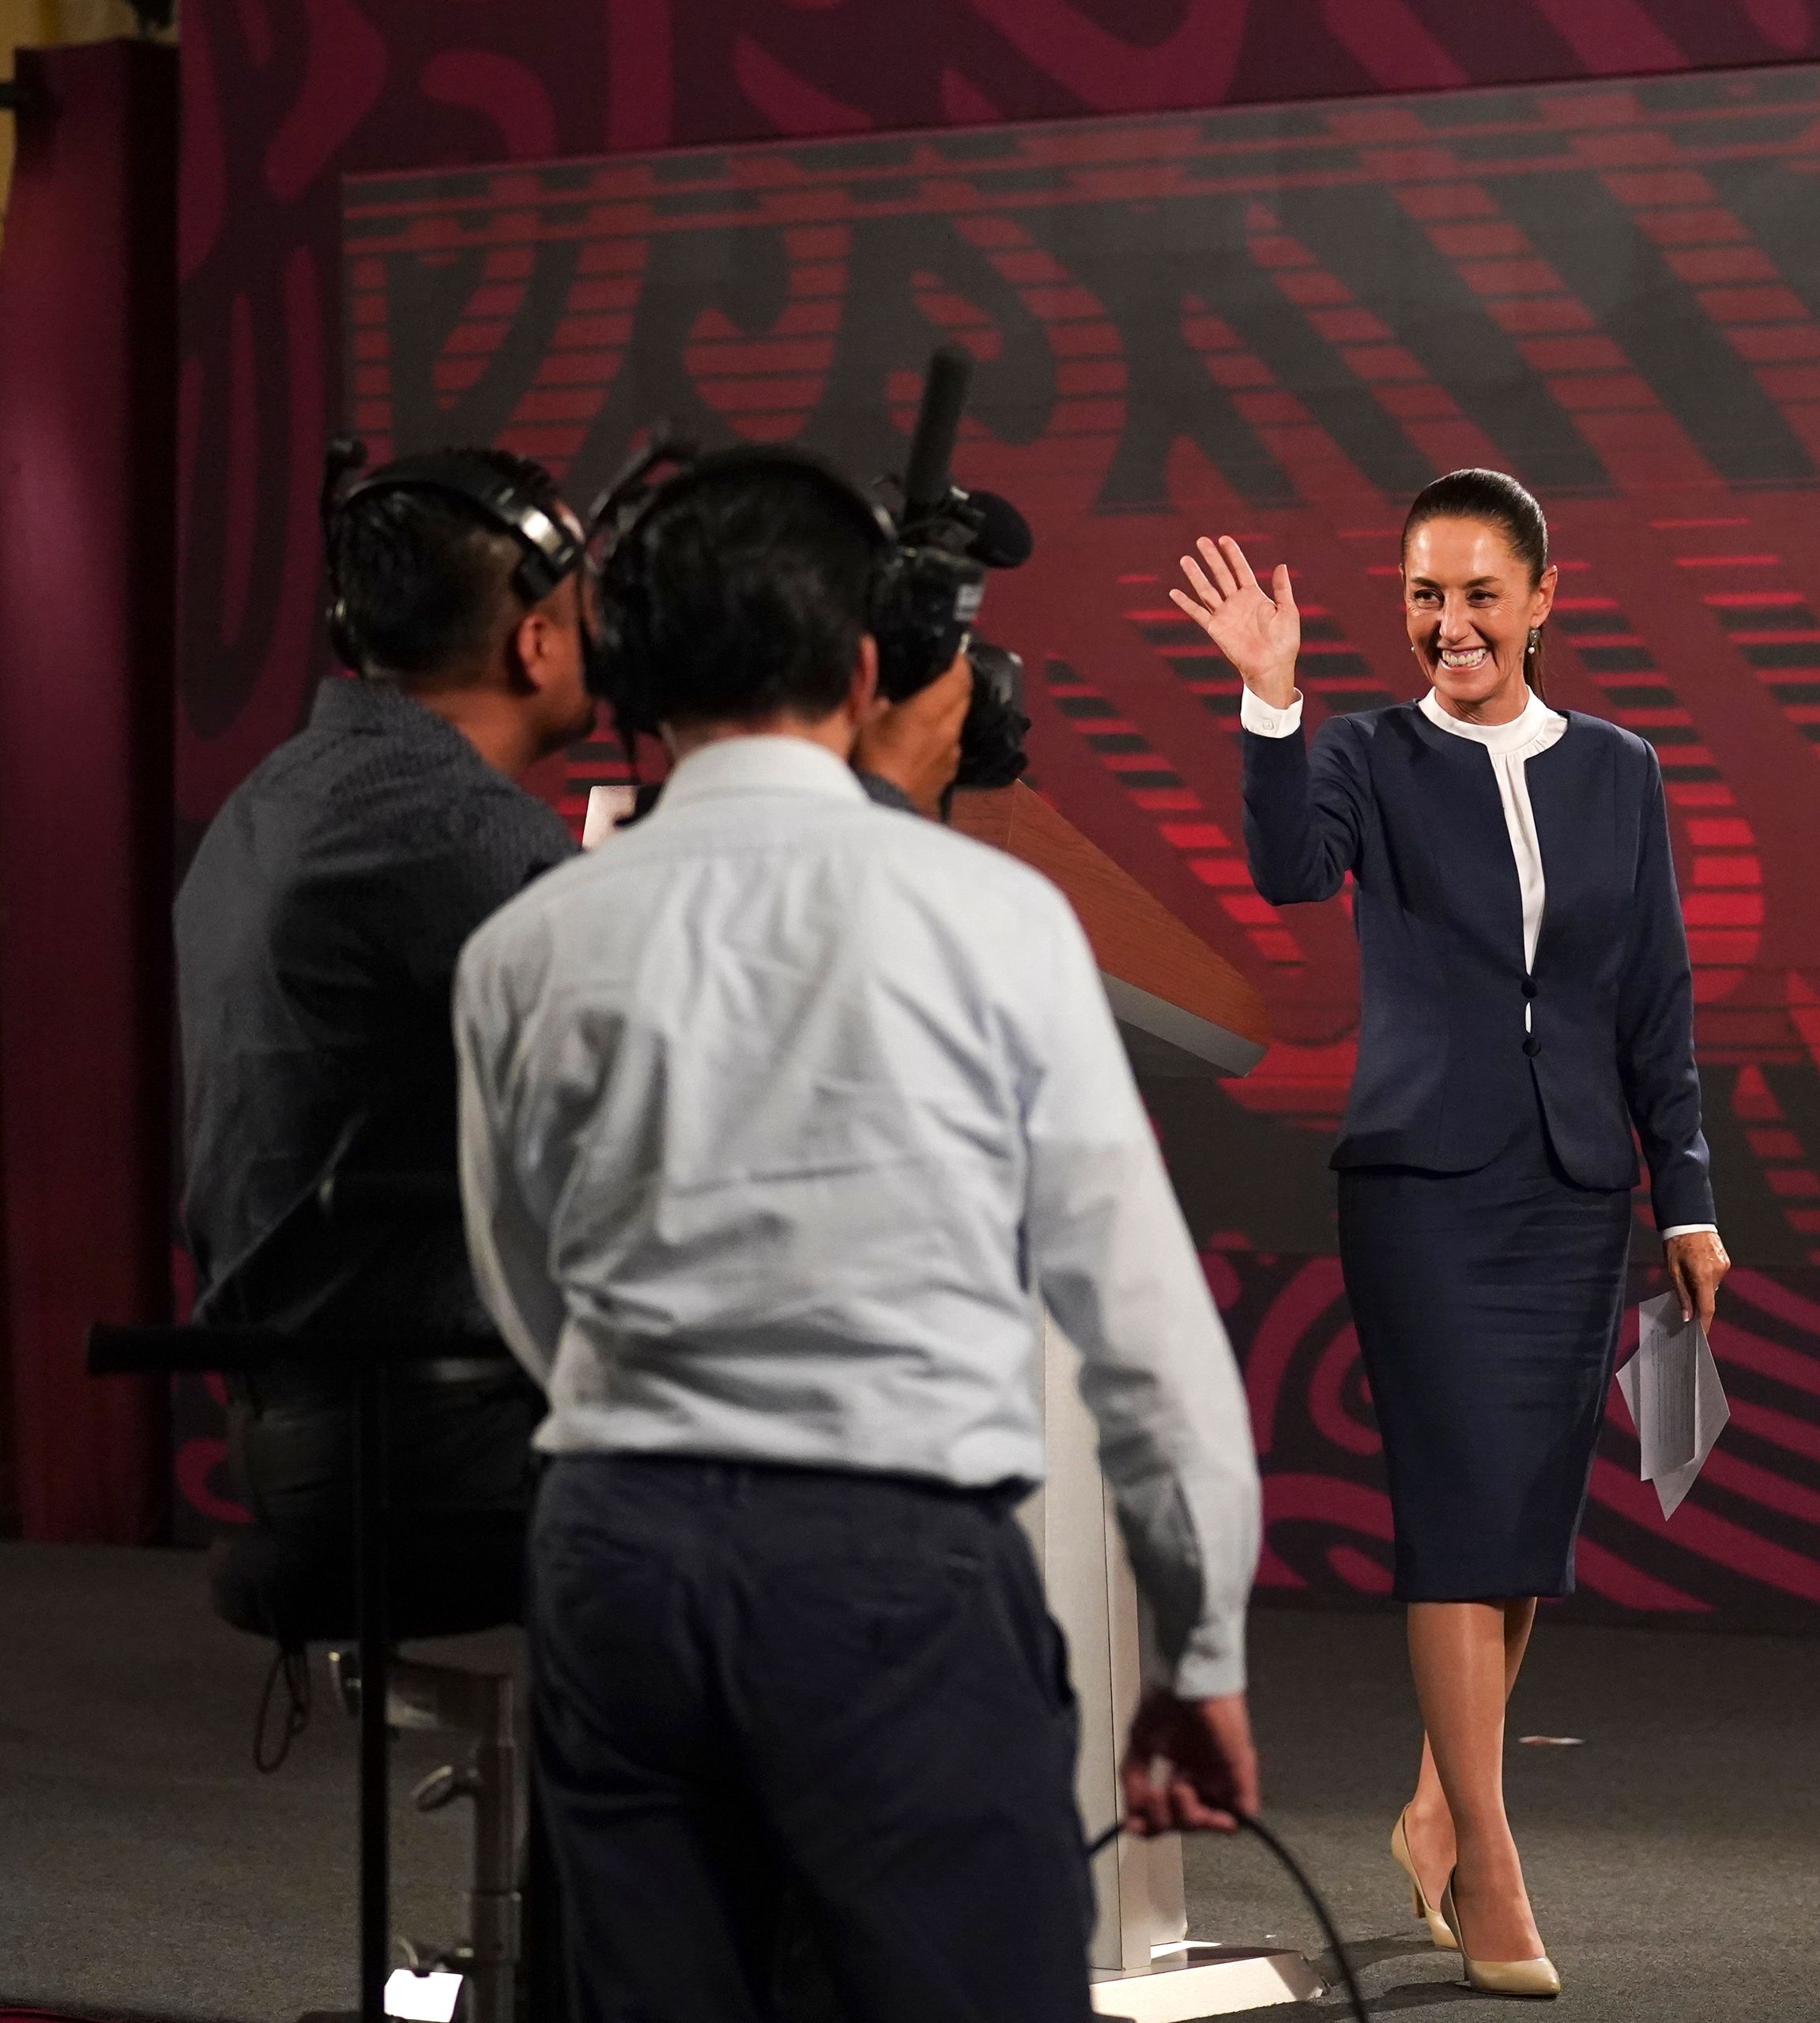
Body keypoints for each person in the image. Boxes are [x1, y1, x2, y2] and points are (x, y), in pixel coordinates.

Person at [457, 447, 1262, 2021]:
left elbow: (528, 1287)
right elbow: (1145, 1334)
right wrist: (1200, 1645)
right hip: (892, 1576)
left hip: (616, 1563)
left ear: (628, 663)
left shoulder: (522, 945)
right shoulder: (998, 918)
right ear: (866, 660)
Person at [175, 443, 968, 2016]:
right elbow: (723, 1046)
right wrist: (872, 800)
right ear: (539, 636)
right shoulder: (448, 834)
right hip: (421, 1446)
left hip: (321, 1428)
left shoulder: (295, 794)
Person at [1170, 469, 1731, 1999]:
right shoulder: (1364, 753)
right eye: (1426, 593)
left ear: (1546, 599)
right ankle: (1491, 1862)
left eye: (1481, 592)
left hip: (1573, 1190)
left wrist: (1683, 1192)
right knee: (1455, 1514)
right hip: (1420, 1189)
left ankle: (1431, 1804)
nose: (1451, 622)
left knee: (1525, 1525)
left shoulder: (1623, 768)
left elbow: (1655, 1003)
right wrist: (1270, 702)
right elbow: (1289, 868)